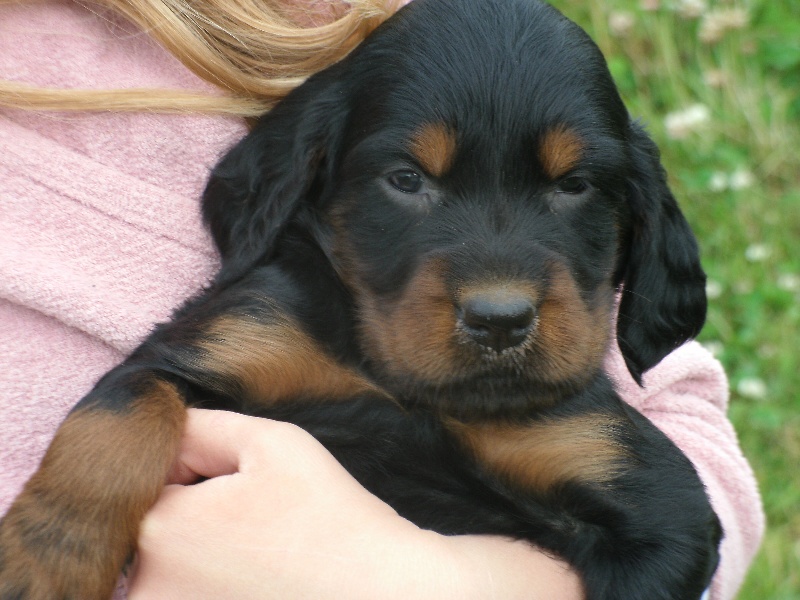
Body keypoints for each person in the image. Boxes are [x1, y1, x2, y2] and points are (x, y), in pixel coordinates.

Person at [0, 1, 764, 598]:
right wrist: (69, 520)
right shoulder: (287, 318)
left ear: (637, 219)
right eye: (408, 180)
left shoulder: (321, 21)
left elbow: (676, 530)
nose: (499, 293)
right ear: (310, 185)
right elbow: (155, 385)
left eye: (573, 184)